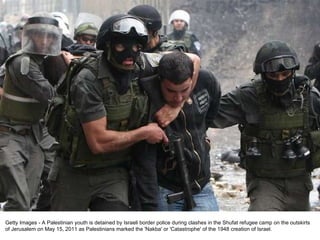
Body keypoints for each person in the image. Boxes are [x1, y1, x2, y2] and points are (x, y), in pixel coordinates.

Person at [48, 14, 170, 211]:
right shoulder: (88, 79)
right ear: (108, 46)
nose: (130, 54)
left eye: (136, 46)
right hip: (75, 172)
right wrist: (144, 133)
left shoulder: (142, 63)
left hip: (114, 172)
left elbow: (191, 60)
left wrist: (172, 108)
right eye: (122, 46)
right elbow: (98, 143)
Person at [212, 40, 320, 211]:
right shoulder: (248, 96)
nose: (280, 79)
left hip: (300, 182)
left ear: (293, 72)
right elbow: (208, 115)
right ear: (263, 74)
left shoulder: (308, 97)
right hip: (264, 182)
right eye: (273, 76)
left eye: (285, 74)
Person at [0, 14, 61, 211]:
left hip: (35, 135)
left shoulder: (45, 61)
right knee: (19, 202)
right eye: (39, 36)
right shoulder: (22, 63)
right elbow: (50, 95)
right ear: (30, 37)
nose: (45, 41)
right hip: (10, 135)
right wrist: (69, 70)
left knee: (42, 190)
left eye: (50, 37)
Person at [146, 51, 221, 211]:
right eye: (171, 91)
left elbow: (210, 116)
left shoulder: (206, 81)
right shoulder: (146, 92)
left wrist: (200, 139)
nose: (178, 98)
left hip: (201, 185)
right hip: (164, 186)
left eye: (185, 90)